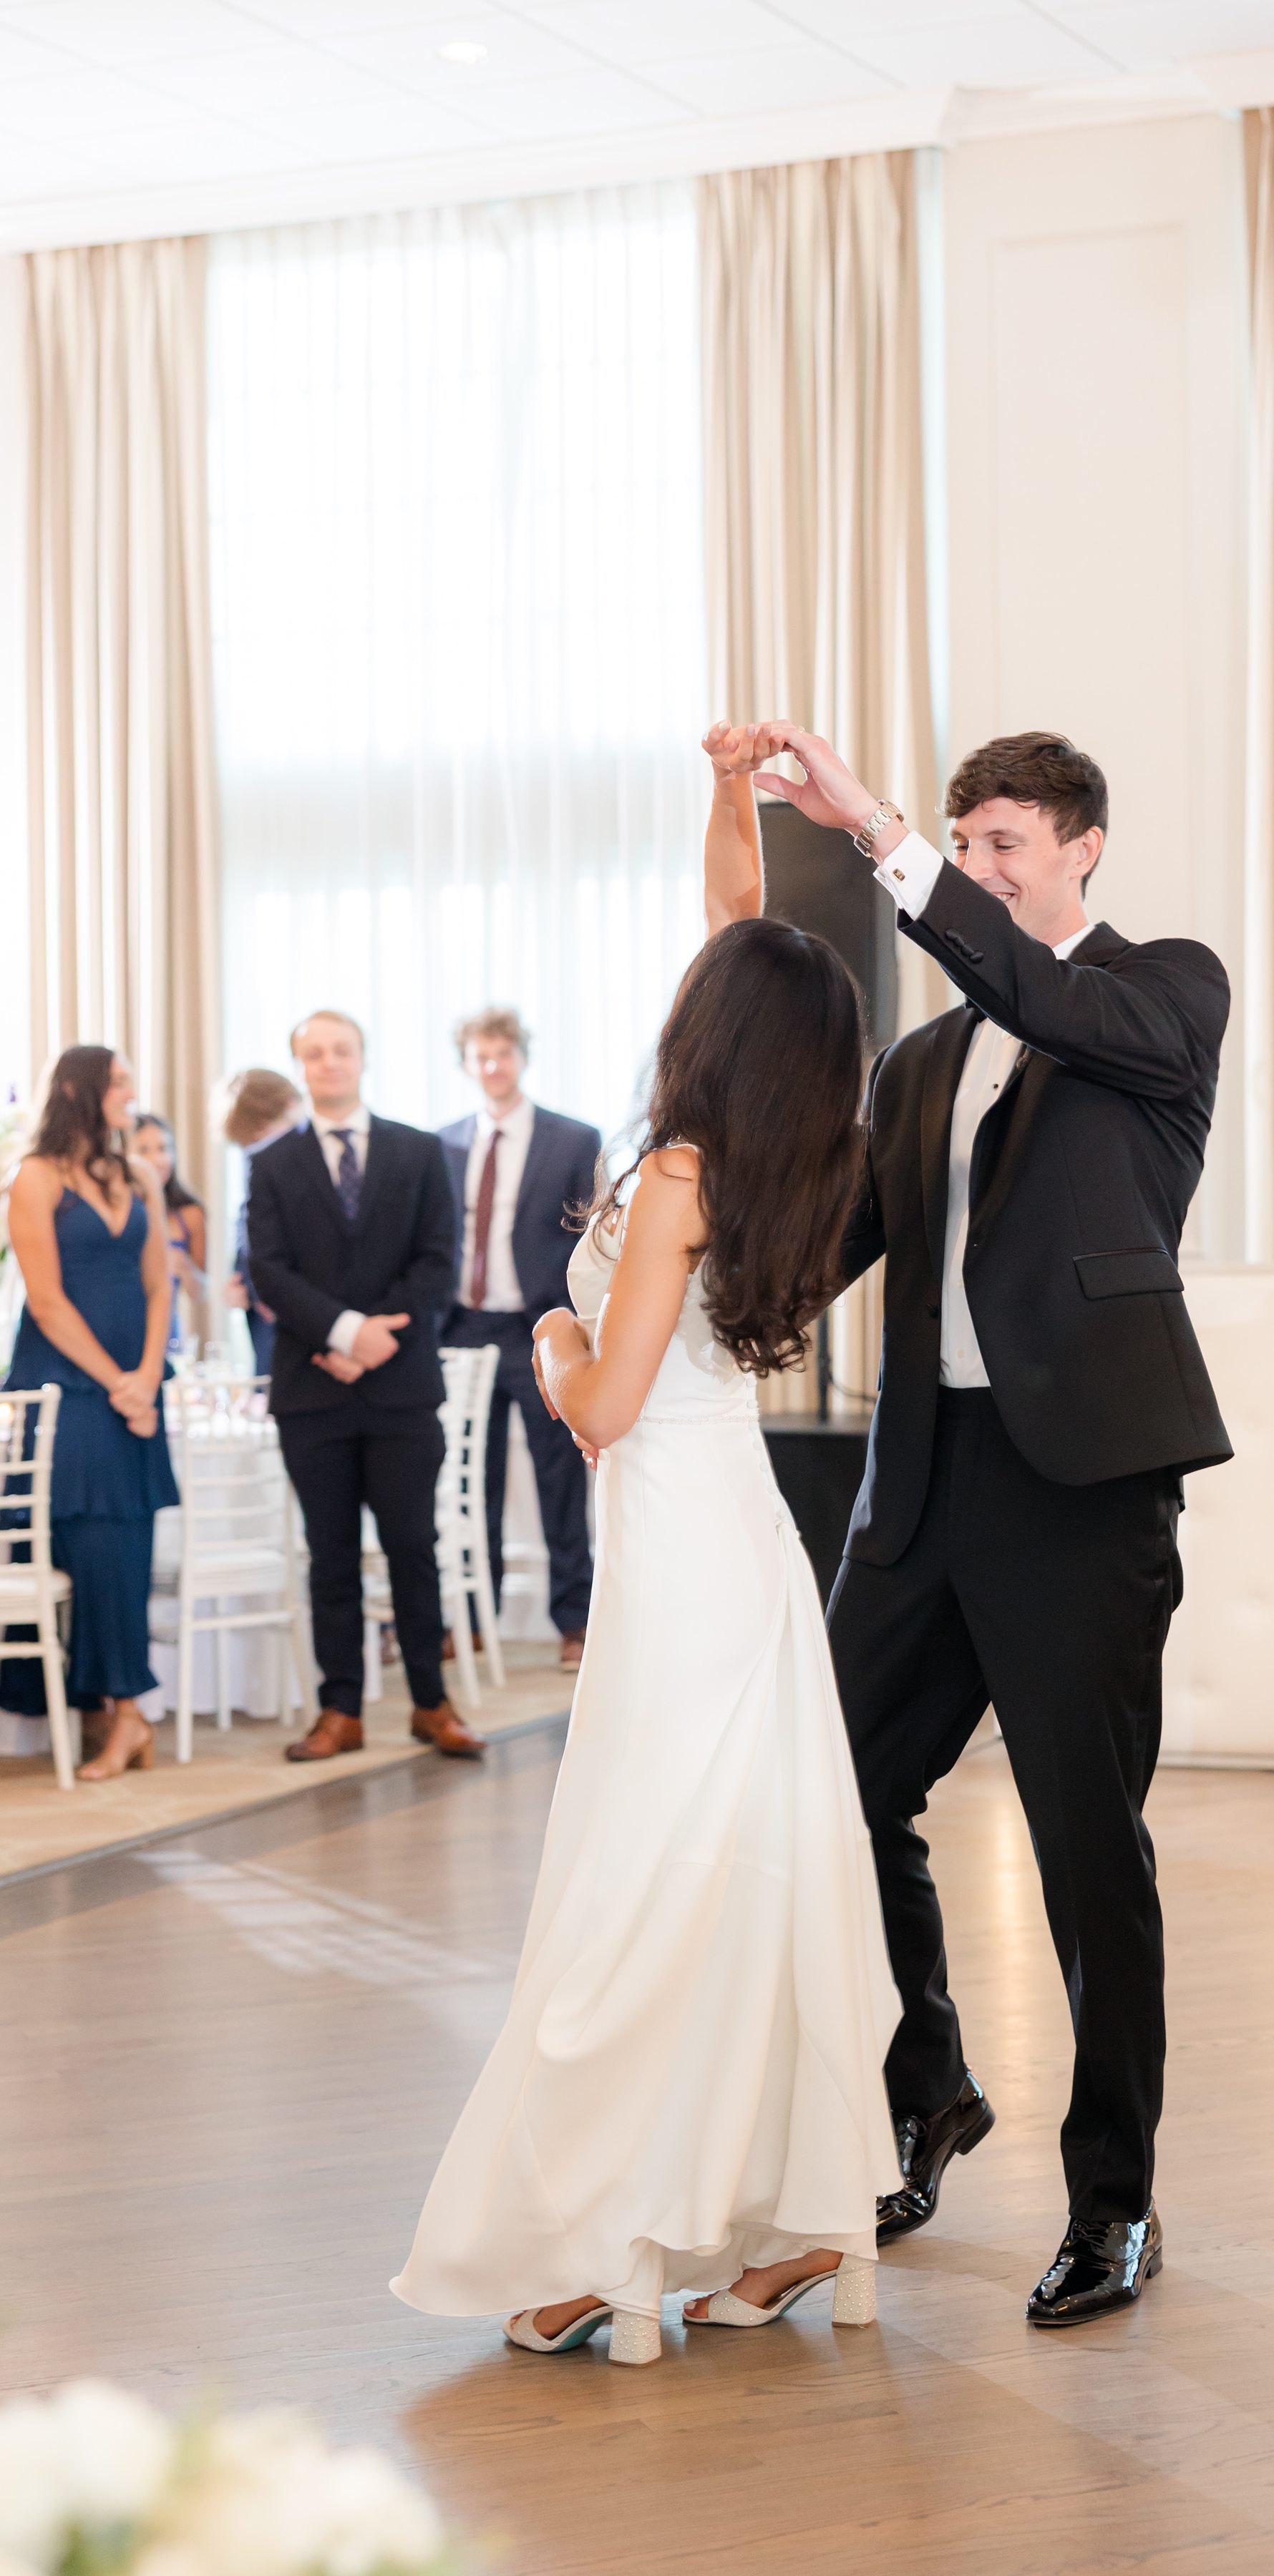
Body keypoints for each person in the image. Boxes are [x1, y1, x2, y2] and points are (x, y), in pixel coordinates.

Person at [391, 726, 900, 2369]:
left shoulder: (677, 1169)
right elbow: (739, 923)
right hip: (733, 1549)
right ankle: (786, 2215)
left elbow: (601, 1407)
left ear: (711, 1031)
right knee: (740, 1884)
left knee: (639, 1901)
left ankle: (612, 2240)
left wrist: (547, 1329)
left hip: (677, 1554)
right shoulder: (791, 1152)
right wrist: (727, 791)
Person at [749, 721, 1232, 2332]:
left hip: (1080, 1492)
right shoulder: (920, 1066)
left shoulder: (1160, 997)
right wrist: (661, 1292)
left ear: (1085, 844)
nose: (981, 867)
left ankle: (1116, 2205)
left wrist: (875, 832)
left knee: (1090, 1851)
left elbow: (1045, 993)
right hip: (921, 1490)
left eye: (1005, 841)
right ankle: (930, 2085)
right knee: (843, 1806)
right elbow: (824, 1259)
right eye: (965, 845)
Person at [244, 1010, 480, 1764]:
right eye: (313, 1054)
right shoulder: (273, 1162)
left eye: (340, 1050)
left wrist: (378, 1339)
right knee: (330, 1553)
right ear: (299, 1066)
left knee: (414, 1546)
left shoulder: (418, 1151)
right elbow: (268, 1269)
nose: (329, 1063)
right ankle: (339, 1709)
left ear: (362, 1059)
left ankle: (429, 1702)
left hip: (402, 1388)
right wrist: (345, 1334)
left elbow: (439, 1259)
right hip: (313, 1391)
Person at [0, 1046, 179, 1781]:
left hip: (134, 1387)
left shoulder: (136, 1176)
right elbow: (43, 1300)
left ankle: (125, 1713)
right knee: (85, 1543)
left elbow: (161, 1286)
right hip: (66, 1390)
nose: (131, 1094)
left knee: (128, 1545)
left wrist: (145, 1377)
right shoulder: (33, 1178)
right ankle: (114, 1711)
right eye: (120, 1083)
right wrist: (118, 1384)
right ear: (80, 1090)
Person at [438, 1011, 601, 1672]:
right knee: (471, 1480)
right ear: (467, 1063)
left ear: (521, 1058)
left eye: (503, 1054)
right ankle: (475, 1622)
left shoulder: (571, 1139)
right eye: (481, 1056)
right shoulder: (441, 1144)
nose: (493, 1067)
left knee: (557, 1478)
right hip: (463, 1328)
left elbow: (588, 1237)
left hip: (537, 1325)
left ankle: (575, 1623)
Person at [218, 1068, 303, 1379]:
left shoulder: (309, 1158)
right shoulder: (256, 1161)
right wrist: (240, 1277)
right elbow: (249, 1224)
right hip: (262, 1310)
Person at [130, 1113, 207, 1355]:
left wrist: (183, 1266)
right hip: (118, 1330)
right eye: (144, 1150)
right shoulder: (115, 1212)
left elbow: (202, 1291)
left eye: (164, 1149)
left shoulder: (191, 1214)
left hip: (166, 1337)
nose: (157, 1160)